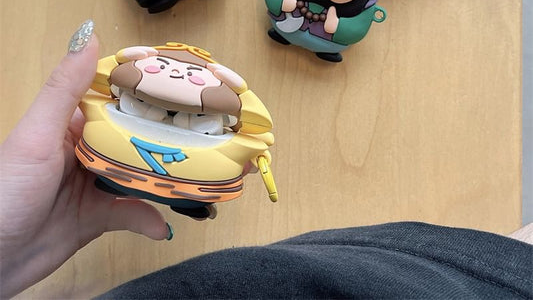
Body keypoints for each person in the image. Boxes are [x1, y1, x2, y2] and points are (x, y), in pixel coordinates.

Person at [1, 21, 532, 299]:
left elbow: (255, 131)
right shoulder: (115, 97)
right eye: (170, 73)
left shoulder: (221, 115)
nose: (180, 81)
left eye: (190, 78)